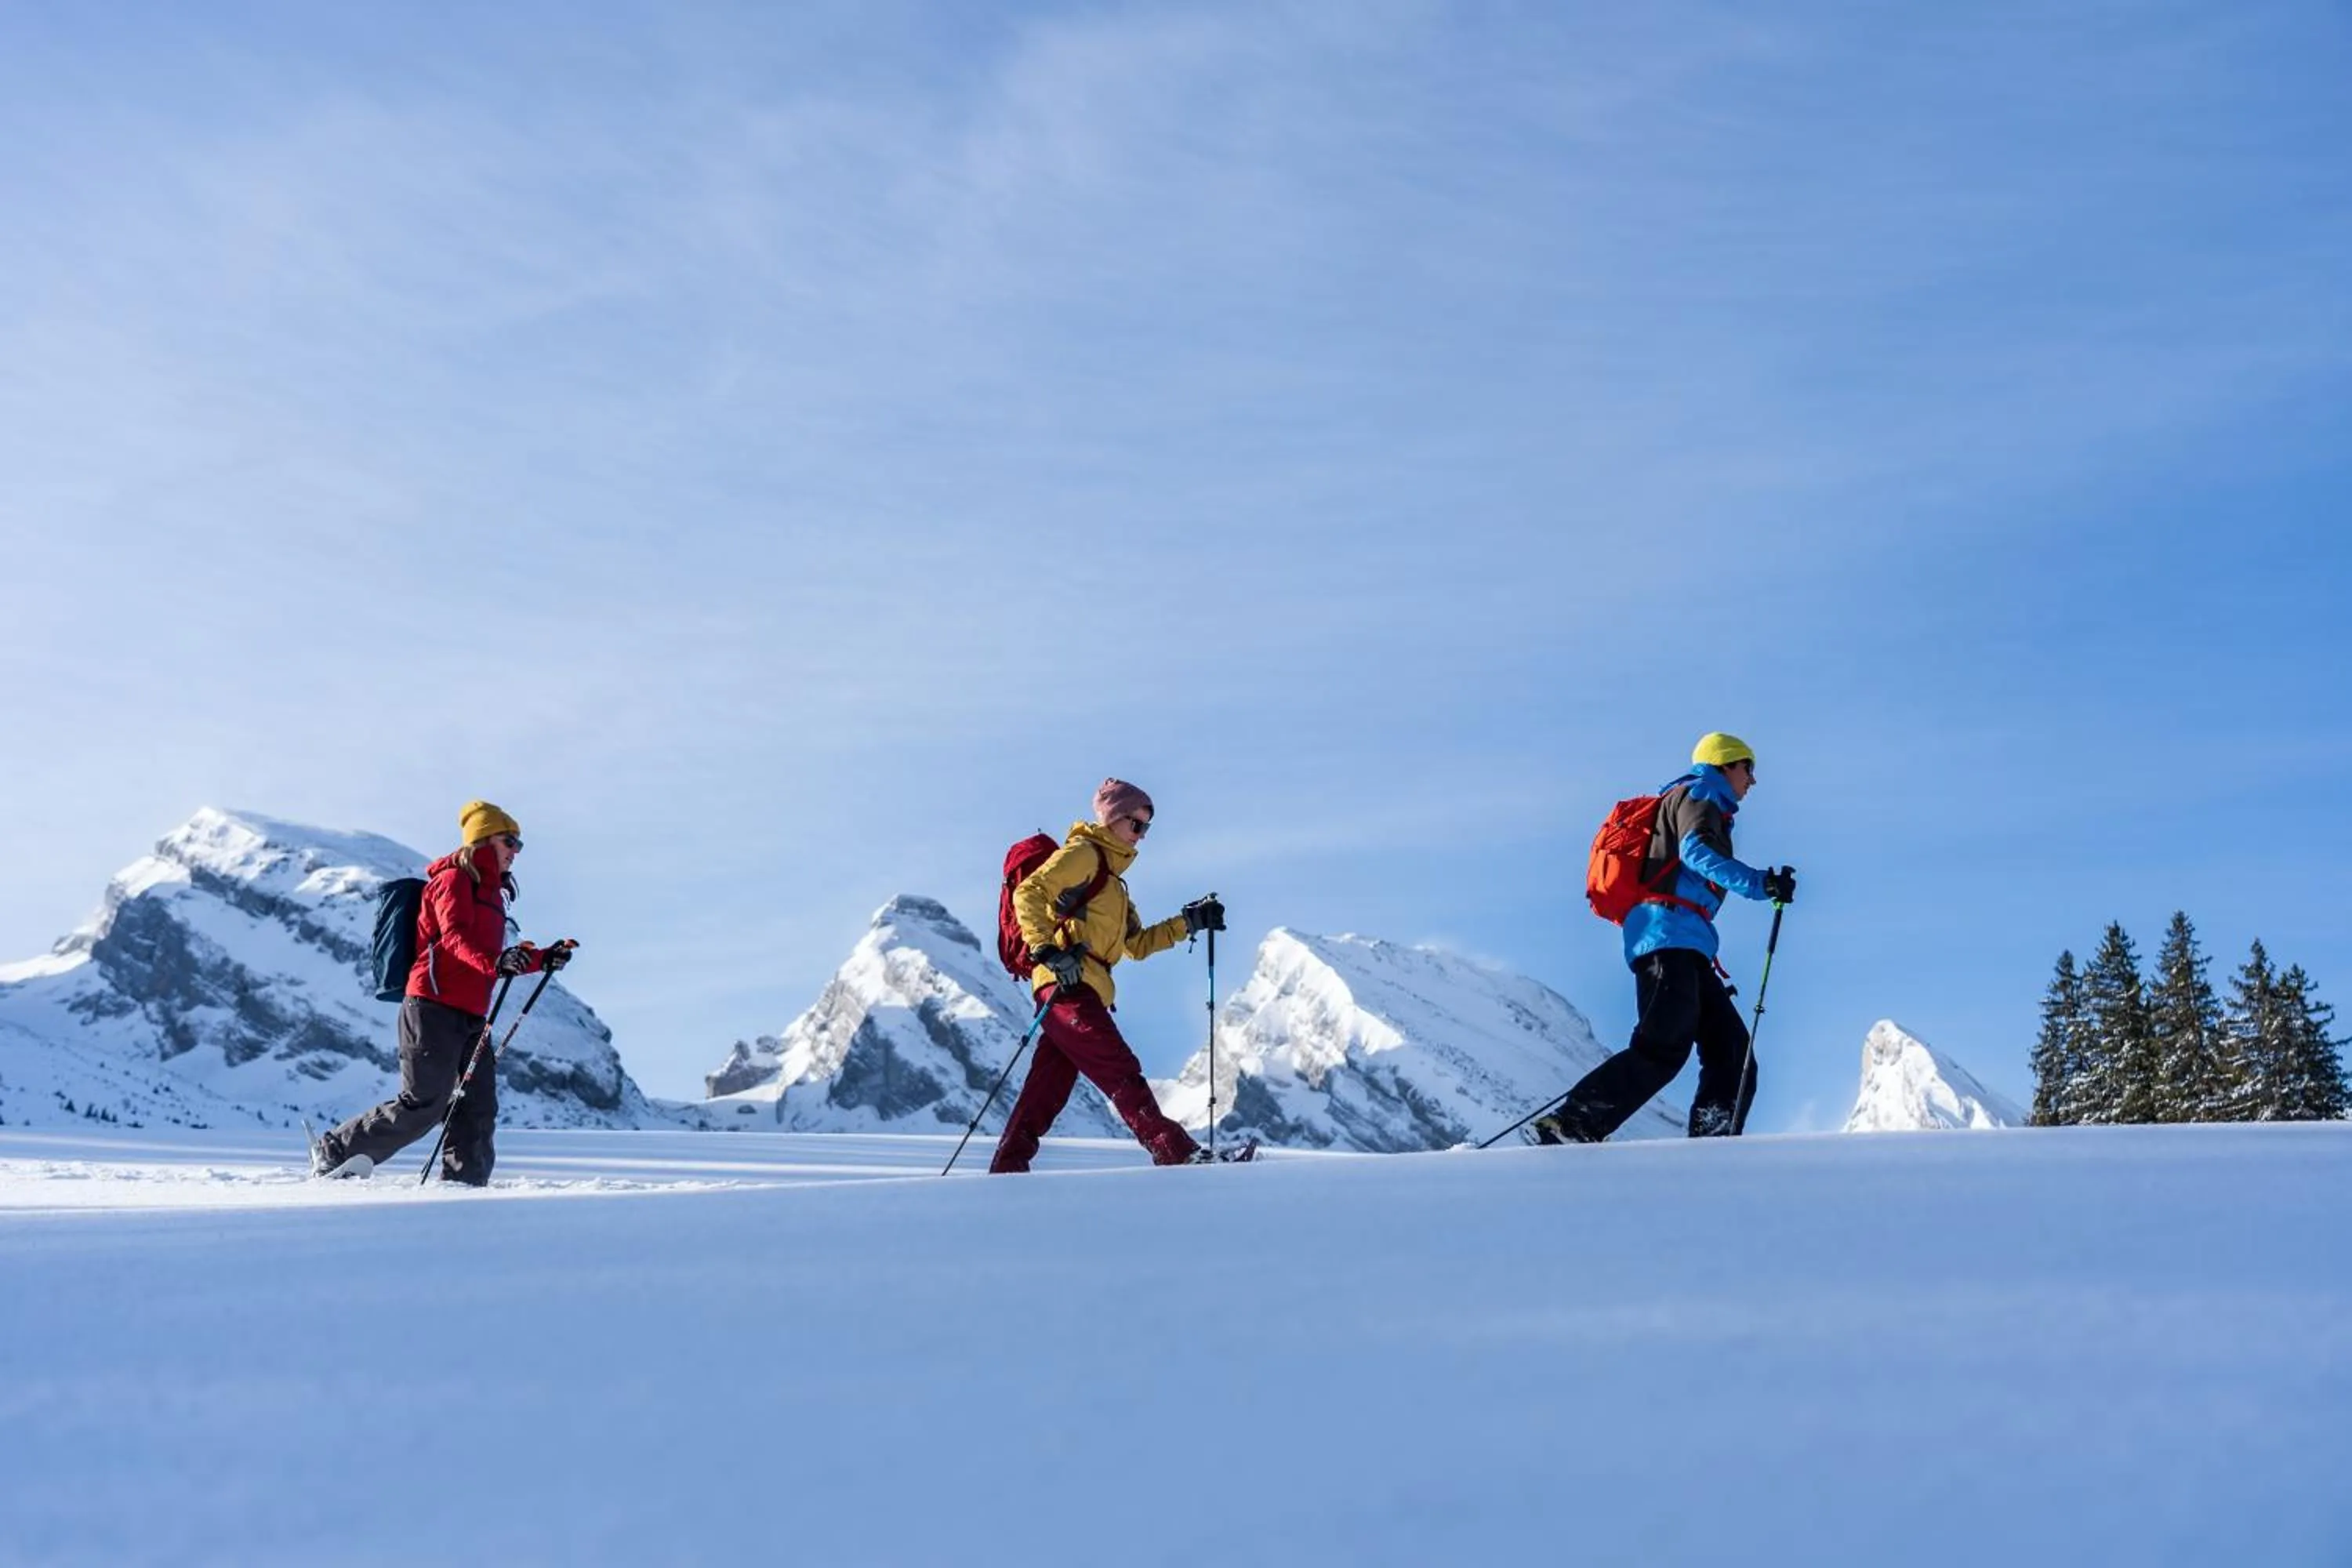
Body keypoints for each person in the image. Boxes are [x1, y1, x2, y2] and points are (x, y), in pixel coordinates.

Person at [1536, 734, 1795, 1143]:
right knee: (1664, 1046)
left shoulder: (1701, 800)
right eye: (1748, 768)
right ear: (1725, 764)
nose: (1752, 780)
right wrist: (1761, 884)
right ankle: (1574, 1123)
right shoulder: (1701, 793)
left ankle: (1713, 1143)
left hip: (1685, 942)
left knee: (1732, 1051)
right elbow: (1697, 852)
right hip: (1667, 938)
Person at [314, 800, 573, 1184]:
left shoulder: (493, 894)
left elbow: (497, 956)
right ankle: (336, 1150)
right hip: (431, 1007)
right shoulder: (452, 881)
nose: (516, 851)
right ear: (484, 840)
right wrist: (496, 962)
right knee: (425, 1103)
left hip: (472, 1014)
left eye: (519, 844)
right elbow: (454, 939)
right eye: (510, 841)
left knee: (478, 1109)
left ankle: (465, 1188)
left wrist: (543, 958)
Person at [990, 779, 1225, 1173]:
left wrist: (1189, 923)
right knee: (1118, 1067)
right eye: (1137, 824)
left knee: (1045, 1090)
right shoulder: (1084, 854)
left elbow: (1137, 944)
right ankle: (1174, 1150)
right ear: (1114, 818)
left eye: (1146, 827)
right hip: (1066, 985)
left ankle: (1007, 1168)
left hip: (1084, 987)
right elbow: (1028, 893)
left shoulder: (1114, 884)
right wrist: (1046, 949)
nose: (1142, 835)